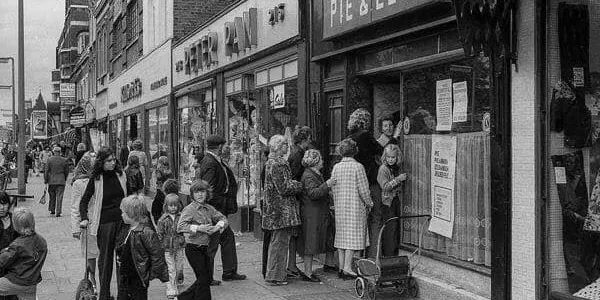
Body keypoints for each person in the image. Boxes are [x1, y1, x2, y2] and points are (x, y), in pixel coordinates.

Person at [195, 135, 246, 285]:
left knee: (227, 237)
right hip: (215, 210)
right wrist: (218, 207)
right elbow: (207, 190)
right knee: (212, 243)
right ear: (218, 147)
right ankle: (208, 276)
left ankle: (229, 271)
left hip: (218, 209)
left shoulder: (215, 160)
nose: (227, 148)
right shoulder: (210, 162)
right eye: (224, 145)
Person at [79, 147, 127, 300]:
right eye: (109, 161)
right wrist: (84, 218)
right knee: (105, 262)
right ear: (101, 162)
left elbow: (130, 195)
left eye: (114, 160)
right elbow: (84, 201)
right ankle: (104, 295)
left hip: (123, 222)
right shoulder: (97, 178)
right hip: (105, 223)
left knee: (123, 260)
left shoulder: (121, 175)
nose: (113, 163)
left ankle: (123, 295)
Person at [177, 180, 229, 300]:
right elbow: (180, 226)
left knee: (204, 279)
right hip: (193, 247)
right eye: (197, 192)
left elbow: (223, 218)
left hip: (206, 248)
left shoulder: (209, 208)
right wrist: (199, 228)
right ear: (192, 194)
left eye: (202, 192)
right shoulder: (189, 209)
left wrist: (218, 226)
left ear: (207, 193)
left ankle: (182, 298)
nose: (200, 195)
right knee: (203, 278)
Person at [262, 135, 304, 286]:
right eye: (285, 144)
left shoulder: (271, 162)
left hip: (276, 210)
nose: (287, 147)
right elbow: (284, 187)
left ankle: (275, 274)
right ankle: (275, 276)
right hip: (280, 211)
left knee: (278, 243)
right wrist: (299, 185)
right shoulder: (278, 163)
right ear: (278, 146)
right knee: (279, 244)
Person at [330, 138, 373, 279]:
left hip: (340, 206)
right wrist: (369, 203)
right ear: (354, 151)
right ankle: (348, 267)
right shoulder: (358, 167)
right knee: (352, 237)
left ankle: (342, 267)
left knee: (342, 236)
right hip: (355, 205)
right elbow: (364, 189)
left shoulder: (336, 167)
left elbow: (333, 186)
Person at [115, 195, 168, 300]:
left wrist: (150, 274)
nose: (121, 215)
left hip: (138, 277)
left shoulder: (146, 232)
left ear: (132, 214)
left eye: (123, 212)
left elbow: (157, 254)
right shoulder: (126, 229)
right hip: (125, 276)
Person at [347, 108, 384, 258]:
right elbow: (381, 150)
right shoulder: (365, 135)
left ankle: (357, 257)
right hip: (370, 180)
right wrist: (392, 137)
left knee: (359, 220)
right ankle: (373, 256)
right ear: (365, 121)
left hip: (355, 182)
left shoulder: (350, 137)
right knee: (376, 218)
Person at [297, 149, 336, 282]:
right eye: (321, 159)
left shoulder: (313, 173)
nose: (323, 161)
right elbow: (313, 193)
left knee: (314, 241)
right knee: (310, 242)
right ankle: (308, 272)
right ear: (316, 161)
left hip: (316, 212)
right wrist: (327, 185)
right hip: (312, 214)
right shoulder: (309, 175)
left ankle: (310, 270)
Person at [0, 208, 47, 298]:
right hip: (32, 282)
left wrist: (5, 251)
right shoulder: (42, 241)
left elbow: (2, 261)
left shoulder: (17, 245)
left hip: (17, 281)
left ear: (16, 226)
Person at [70, 152, 99, 292]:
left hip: (102, 222)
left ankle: (100, 279)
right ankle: (92, 279)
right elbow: (75, 206)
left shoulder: (101, 179)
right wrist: (75, 228)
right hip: (88, 224)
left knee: (102, 254)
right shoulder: (78, 183)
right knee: (91, 254)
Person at [376, 144, 407, 257]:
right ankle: (388, 256)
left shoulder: (396, 167)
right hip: (387, 202)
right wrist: (398, 180)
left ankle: (394, 254)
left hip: (396, 201)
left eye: (393, 157)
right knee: (390, 229)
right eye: (388, 157)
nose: (390, 159)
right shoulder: (383, 169)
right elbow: (385, 187)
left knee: (396, 229)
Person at [156, 194, 186, 299]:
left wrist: (182, 238)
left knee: (179, 267)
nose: (173, 208)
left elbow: (184, 228)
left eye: (175, 205)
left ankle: (178, 278)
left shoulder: (181, 216)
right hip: (167, 247)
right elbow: (159, 234)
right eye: (171, 205)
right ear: (166, 206)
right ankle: (171, 288)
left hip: (179, 246)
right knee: (171, 268)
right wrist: (160, 246)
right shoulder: (162, 219)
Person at [44, 147, 69, 217]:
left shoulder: (49, 159)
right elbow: (67, 171)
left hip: (51, 180)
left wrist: (45, 180)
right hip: (61, 180)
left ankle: (52, 210)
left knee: (52, 196)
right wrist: (65, 178)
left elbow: (46, 171)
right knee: (59, 196)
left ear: (53, 152)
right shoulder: (64, 160)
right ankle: (58, 211)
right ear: (60, 152)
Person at [152, 156, 173, 223]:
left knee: (157, 206)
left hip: (161, 190)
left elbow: (158, 178)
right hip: (168, 189)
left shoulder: (159, 170)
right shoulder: (169, 171)